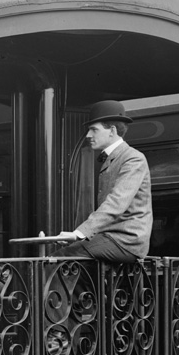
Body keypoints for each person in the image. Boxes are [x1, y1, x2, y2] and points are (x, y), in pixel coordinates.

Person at [54, 99, 152, 262]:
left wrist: (79, 233)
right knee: (73, 265)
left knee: (62, 259)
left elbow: (116, 203)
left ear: (112, 130)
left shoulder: (133, 159)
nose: (88, 135)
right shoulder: (116, 157)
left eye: (93, 130)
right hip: (111, 238)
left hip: (127, 241)